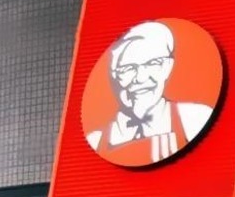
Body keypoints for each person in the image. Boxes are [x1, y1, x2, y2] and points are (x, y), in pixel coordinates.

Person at [85, 21, 214, 164]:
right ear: (115, 75)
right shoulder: (96, 140)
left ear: (168, 67)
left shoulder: (194, 118)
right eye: (128, 68)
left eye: (153, 64)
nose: (141, 78)